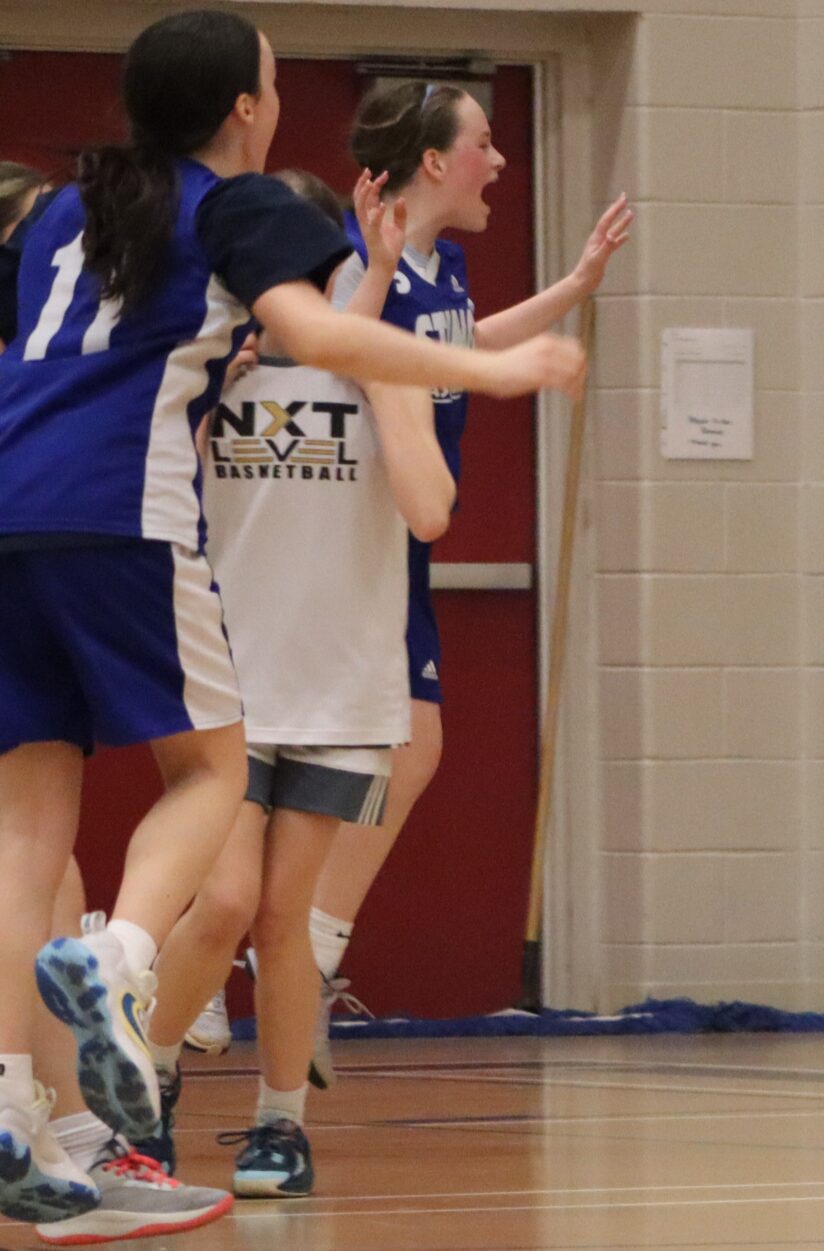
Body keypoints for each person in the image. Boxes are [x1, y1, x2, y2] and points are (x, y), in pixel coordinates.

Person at [0, 9, 578, 1222]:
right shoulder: (235, 204)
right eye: (270, 82)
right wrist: (495, 368)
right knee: (211, 773)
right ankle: (117, 961)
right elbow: (318, 333)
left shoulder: (70, 207)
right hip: (121, 510)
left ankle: (10, 1105)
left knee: (25, 828)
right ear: (245, 108)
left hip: (11, 507)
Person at [138, 169, 453, 1200]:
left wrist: (383, 383)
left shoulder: (380, 370)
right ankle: (145, 1082)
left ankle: (282, 1122)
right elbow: (159, 500)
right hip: (225, 679)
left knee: (284, 919)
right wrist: (208, 394)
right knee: (223, 899)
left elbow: (431, 511)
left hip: (339, 688)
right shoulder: (204, 371)